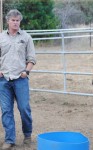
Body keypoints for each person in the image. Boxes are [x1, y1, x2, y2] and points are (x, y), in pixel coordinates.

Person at [0, 9, 36, 150]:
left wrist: (26, 71)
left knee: (24, 108)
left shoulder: (26, 37)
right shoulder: (1, 37)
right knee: (6, 110)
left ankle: (27, 135)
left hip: (21, 79)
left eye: (17, 20)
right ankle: (9, 140)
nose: (15, 23)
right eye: (13, 20)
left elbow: (32, 58)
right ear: (8, 21)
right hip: (4, 80)